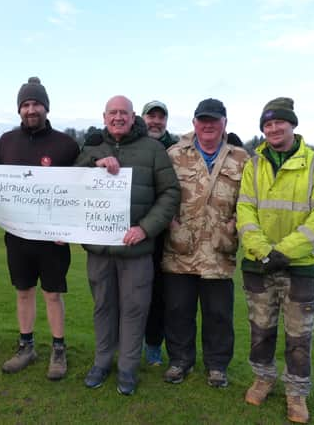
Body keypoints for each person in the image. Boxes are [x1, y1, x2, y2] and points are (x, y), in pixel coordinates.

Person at [237, 97, 314, 423]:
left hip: (299, 266)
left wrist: (284, 252)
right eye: (267, 125)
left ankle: (296, 393)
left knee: (299, 336)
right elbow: (245, 212)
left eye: (279, 122)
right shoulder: (253, 165)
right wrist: (266, 253)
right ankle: (263, 378)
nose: (274, 129)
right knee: (260, 329)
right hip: (258, 263)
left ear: (292, 124)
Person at [75, 95, 180, 395]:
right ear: (104, 116)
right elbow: (72, 180)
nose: (118, 117)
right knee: (103, 308)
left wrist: (145, 228)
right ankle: (102, 361)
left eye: (124, 112)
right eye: (113, 113)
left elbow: (170, 193)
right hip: (99, 251)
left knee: (134, 310)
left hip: (135, 251)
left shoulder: (153, 150)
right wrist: (95, 163)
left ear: (134, 116)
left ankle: (128, 368)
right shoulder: (93, 147)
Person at [0, 77, 80, 380]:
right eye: (26, 104)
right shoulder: (5, 142)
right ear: (20, 109)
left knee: (53, 294)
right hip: (17, 237)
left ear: (46, 107)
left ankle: (58, 349)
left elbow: (78, 192)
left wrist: (66, 229)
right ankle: (26, 346)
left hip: (53, 239)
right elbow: (0, 185)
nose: (31, 109)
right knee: (23, 291)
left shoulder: (66, 145)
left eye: (36, 104)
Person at [162, 98, 249, 388]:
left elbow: (250, 201)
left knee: (219, 314)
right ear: (194, 123)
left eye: (214, 120)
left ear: (225, 123)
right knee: (177, 311)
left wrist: (234, 226)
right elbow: (162, 194)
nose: (208, 124)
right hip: (180, 249)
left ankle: (217, 366)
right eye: (202, 120)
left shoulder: (241, 159)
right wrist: (172, 225)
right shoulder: (174, 154)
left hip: (218, 252)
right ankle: (179, 361)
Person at [140, 100, 178, 366]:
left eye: (160, 117)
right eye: (150, 116)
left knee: (160, 294)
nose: (155, 121)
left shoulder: (176, 148)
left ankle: (153, 344)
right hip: (133, 229)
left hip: (166, 234)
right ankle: (126, 342)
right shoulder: (130, 144)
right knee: (129, 292)